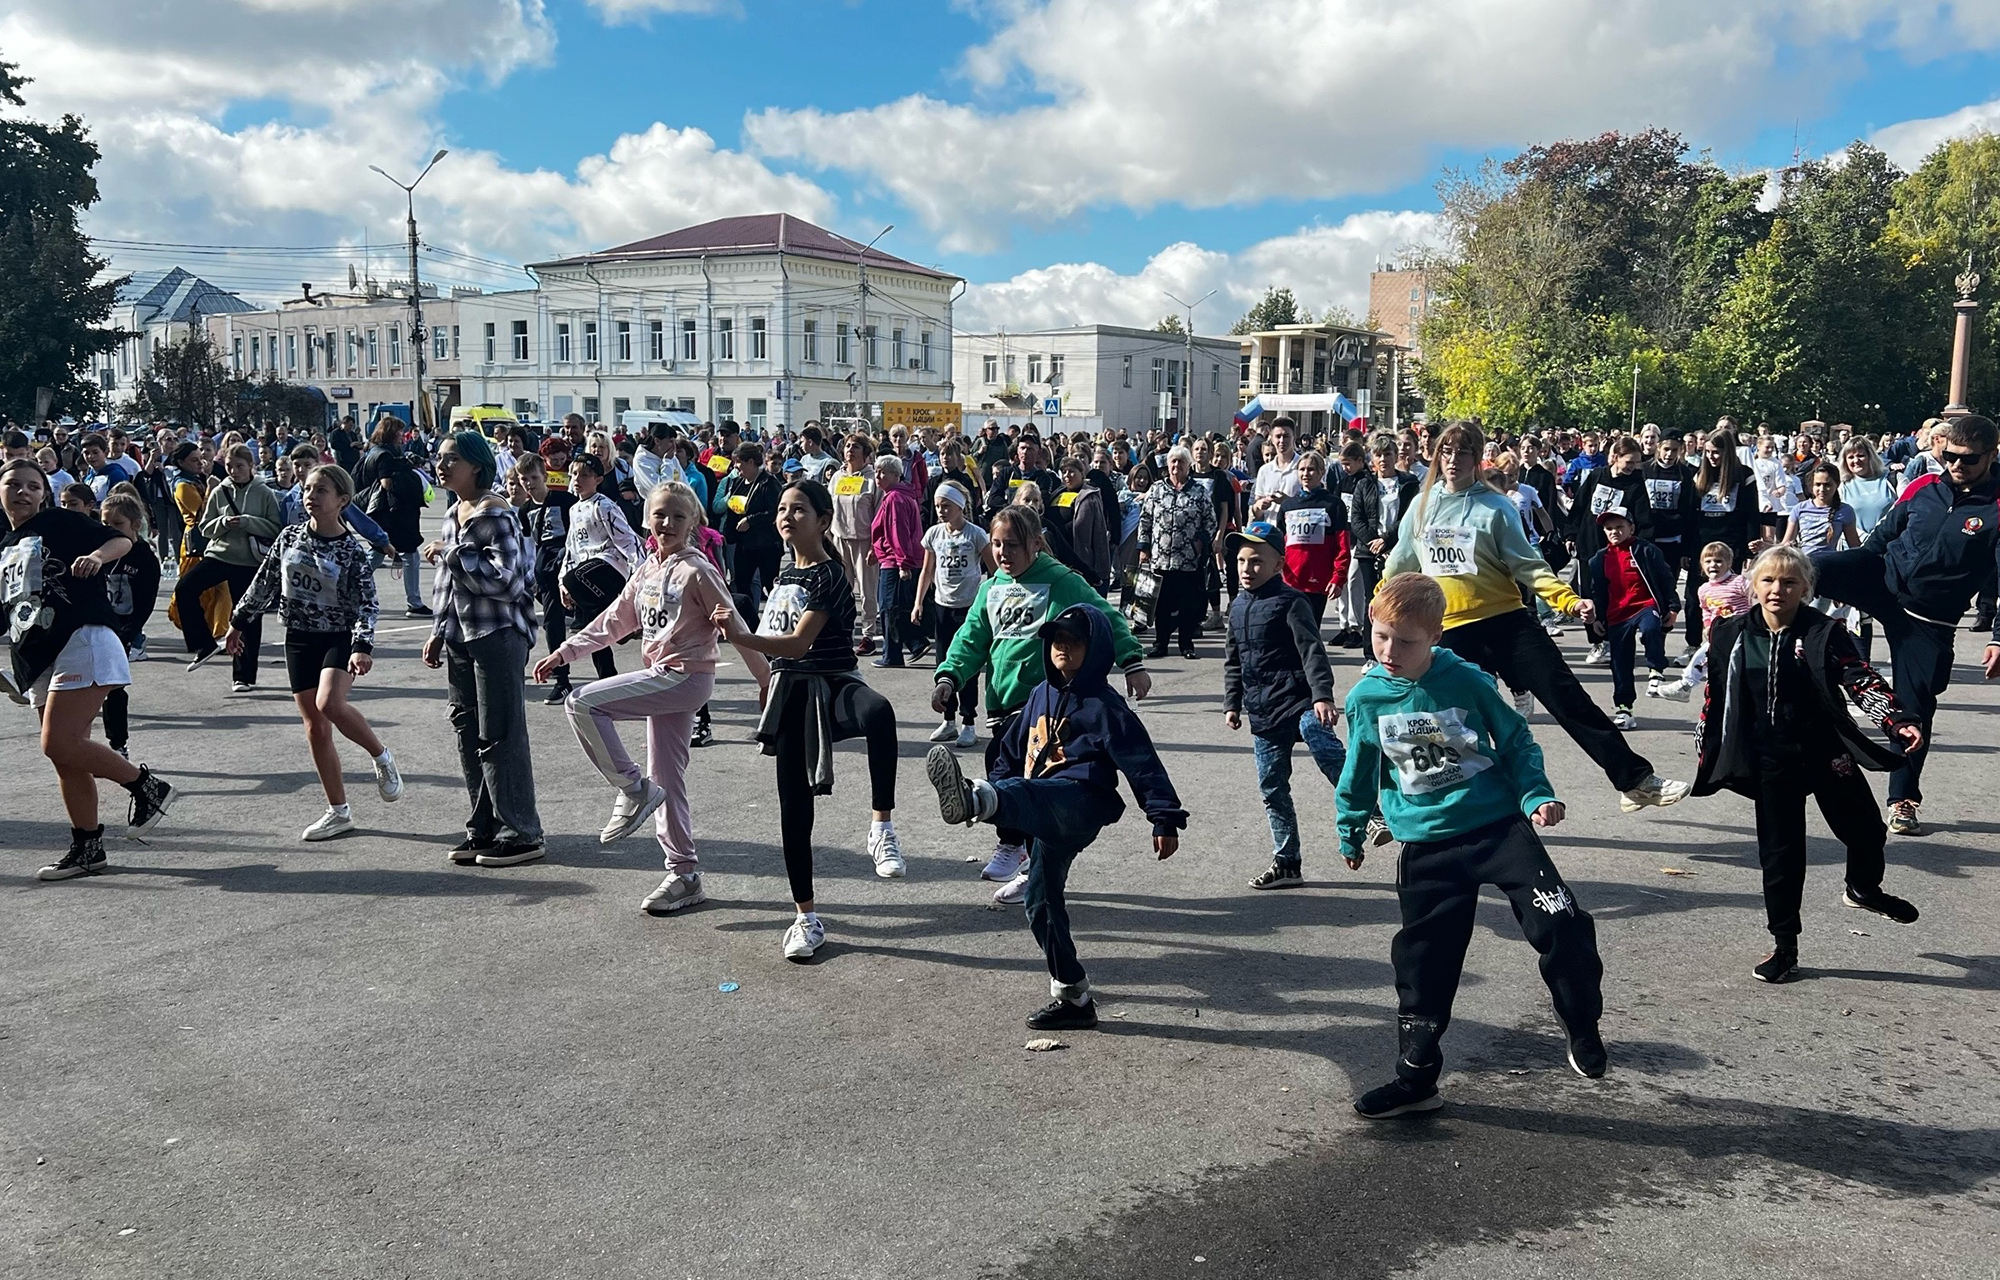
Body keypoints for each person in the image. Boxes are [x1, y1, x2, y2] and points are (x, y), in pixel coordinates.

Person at [1337, 572, 1606, 1117]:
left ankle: (1580, 1019)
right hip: (1428, 847)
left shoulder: (1468, 681)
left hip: (1498, 829)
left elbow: (1515, 740)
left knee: (1562, 922)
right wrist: (1351, 826)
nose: (1390, 651)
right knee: (1424, 963)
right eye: (1382, 636)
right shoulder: (1366, 699)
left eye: (1407, 641)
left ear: (1437, 635)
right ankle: (1415, 1079)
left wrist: (1536, 795)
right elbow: (1359, 769)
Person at [1384, 421, 1687, 812]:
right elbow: (1400, 565)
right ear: (1436, 455)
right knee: (1451, 727)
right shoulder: (1421, 506)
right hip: (1451, 632)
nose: (1454, 460)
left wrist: (1567, 600)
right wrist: (1381, 604)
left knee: (1568, 698)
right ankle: (1456, 812)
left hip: (1507, 623)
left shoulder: (1495, 507)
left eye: (1463, 452)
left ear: (1478, 459)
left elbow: (1530, 565)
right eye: (1447, 451)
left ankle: (1634, 780)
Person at [924, 603, 1184, 1030]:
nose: (1063, 647)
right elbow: (1010, 753)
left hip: (1080, 803)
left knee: (1032, 792)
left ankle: (975, 801)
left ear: (1095, 648)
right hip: (1040, 810)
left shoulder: (1105, 705)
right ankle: (1073, 995)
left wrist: (1164, 818)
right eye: (1056, 640)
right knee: (1040, 903)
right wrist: (1005, 787)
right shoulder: (1039, 696)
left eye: (1074, 641)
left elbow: (1142, 763)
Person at [1690, 545, 1925, 984]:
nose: (1778, 589)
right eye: (1769, 581)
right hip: (1768, 759)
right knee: (1781, 856)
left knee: (1867, 831)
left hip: (1823, 750)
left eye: (1789, 582)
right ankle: (1784, 946)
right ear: (1753, 585)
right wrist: (1706, 748)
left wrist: (1896, 720)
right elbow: (1714, 697)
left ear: (1805, 588)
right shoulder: (1730, 633)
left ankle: (1863, 888)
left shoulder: (1825, 631)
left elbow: (1860, 678)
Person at [536, 482, 770, 914]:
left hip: (685, 677)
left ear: (694, 522)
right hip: (663, 676)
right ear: (647, 518)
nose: (667, 523)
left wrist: (765, 683)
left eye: (678, 517)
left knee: (583, 703)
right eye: (660, 514)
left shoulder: (697, 571)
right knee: (668, 779)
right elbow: (613, 621)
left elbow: (736, 626)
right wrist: (564, 652)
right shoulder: (647, 570)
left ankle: (631, 786)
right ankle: (684, 874)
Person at [710, 479, 909, 960]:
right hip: (791, 695)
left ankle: (881, 826)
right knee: (794, 813)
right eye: (782, 508)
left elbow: (799, 644)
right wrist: (764, 682)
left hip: (835, 683)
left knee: (880, 712)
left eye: (798, 509)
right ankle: (806, 917)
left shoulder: (830, 575)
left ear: (823, 521)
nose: (786, 515)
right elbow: (777, 648)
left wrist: (737, 631)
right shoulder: (781, 572)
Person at [932, 505, 1152, 902]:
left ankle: (1031, 862)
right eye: (996, 544)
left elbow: (1104, 616)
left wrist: (1131, 661)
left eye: (1012, 545)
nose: (1002, 553)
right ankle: (1013, 843)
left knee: (1034, 787)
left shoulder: (1061, 580)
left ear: (1036, 542)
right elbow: (970, 639)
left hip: (1045, 706)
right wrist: (950, 676)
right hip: (1001, 705)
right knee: (1002, 772)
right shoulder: (991, 587)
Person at [1812, 413, 2000, 836]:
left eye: (1967, 460)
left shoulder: (1997, 508)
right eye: (1948, 455)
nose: (1955, 465)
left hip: (1928, 618)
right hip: (1882, 580)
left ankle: (1903, 800)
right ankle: (1778, 639)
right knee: (1805, 566)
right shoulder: (1922, 487)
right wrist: (1822, 570)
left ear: (1991, 456)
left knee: (1913, 709)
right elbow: (1877, 544)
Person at [1, 459, 177, 878]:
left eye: (33, 486)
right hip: (36, 655)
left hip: (83, 636)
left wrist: (97, 556)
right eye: (13, 484)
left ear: (45, 493)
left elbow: (121, 542)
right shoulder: (5, 546)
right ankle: (87, 848)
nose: (22, 492)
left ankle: (149, 788)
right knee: (67, 757)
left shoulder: (60, 522)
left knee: (56, 742)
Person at [223, 464, 403, 841]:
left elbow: (368, 603)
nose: (311, 496)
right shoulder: (289, 538)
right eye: (308, 489)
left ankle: (381, 756)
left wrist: (361, 646)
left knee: (329, 705)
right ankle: (338, 811)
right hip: (299, 636)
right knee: (316, 728)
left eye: (321, 490)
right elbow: (265, 583)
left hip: (339, 636)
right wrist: (238, 621)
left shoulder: (352, 550)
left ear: (342, 501)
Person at [421, 431, 545, 867]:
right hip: (461, 638)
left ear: (475, 465)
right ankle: (484, 828)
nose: (441, 465)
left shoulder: (496, 513)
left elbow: (508, 581)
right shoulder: (456, 511)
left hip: (496, 637)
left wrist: (452, 554)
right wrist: (439, 629)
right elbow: (446, 586)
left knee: (500, 735)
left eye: (451, 458)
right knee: (469, 734)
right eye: (439, 457)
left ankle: (522, 833)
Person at [1222, 521, 1344, 890]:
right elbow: (1233, 660)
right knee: (1272, 787)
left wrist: (1322, 695)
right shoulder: (1237, 606)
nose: (1247, 568)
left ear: (1278, 565)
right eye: (1242, 561)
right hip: (1263, 710)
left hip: (1299, 700)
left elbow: (1312, 651)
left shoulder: (1291, 602)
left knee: (1322, 743)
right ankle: (1287, 863)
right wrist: (1232, 703)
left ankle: (1367, 810)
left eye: (1257, 561)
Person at [174, 444, 280, 692]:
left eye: (239, 466)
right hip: (220, 556)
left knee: (248, 618)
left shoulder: (264, 492)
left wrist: (247, 522)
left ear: (250, 465)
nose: (234, 471)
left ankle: (243, 676)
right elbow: (205, 527)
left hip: (250, 561)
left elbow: (276, 528)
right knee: (185, 588)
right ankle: (204, 644)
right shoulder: (220, 491)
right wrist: (224, 522)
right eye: (230, 466)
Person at [912, 481, 994, 747]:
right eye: (937, 506)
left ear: (960, 506)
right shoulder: (935, 534)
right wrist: (918, 602)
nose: (941, 511)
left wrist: (992, 603)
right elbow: (927, 570)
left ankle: (968, 721)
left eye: (946, 506)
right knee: (944, 665)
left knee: (967, 667)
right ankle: (948, 719)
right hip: (942, 606)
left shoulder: (976, 535)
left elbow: (994, 572)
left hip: (968, 607)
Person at [1586, 507, 1681, 727]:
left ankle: (1656, 671)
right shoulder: (1599, 559)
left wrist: (1673, 607)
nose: (1614, 532)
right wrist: (1597, 620)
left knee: (1650, 629)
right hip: (1617, 615)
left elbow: (1666, 580)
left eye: (1620, 527)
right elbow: (1597, 591)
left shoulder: (1646, 550)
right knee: (1620, 663)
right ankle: (1624, 709)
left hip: (1645, 606)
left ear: (1632, 528)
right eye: (1609, 528)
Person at [558, 453, 643, 683]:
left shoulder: (604, 505)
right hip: (585, 574)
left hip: (609, 565)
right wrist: (562, 583)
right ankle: (607, 677)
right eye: (574, 474)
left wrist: (641, 572)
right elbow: (571, 548)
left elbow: (627, 539)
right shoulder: (574, 509)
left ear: (597, 479)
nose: (578, 479)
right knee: (592, 628)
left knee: (578, 578)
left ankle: (620, 615)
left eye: (585, 475)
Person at [95, 492, 160, 760]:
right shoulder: (98, 550)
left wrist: (129, 633)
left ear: (135, 524)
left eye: (117, 524)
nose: (109, 529)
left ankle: (118, 745)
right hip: (95, 624)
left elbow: (145, 604)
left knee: (114, 688)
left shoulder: (145, 559)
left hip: (122, 629)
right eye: (104, 523)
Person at [1138, 446, 1218, 660]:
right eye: (1173, 462)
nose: (1176, 466)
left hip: (1188, 560)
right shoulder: (1156, 489)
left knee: (1187, 606)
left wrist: (1200, 542)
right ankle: (1160, 643)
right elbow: (1145, 519)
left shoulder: (1199, 491)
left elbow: (1211, 522)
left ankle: (1186, 644)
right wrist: (1143, 547)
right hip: (1160, 558)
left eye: (1181, 462)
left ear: (1188, 466)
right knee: (1161, 604)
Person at [1349, 434, 1421, 660]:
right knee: (1373, 601)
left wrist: (1388, 540)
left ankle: (1403, 649)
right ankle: (1371, 655)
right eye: (1379, 455)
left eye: (1388, 454)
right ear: (1372, 458)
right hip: (1369, 551)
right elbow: (1356, 518)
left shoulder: (1409, 482)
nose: (1383, 459)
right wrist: (1374, 542)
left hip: (1400, 549)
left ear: (1395, 455)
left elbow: (1410, 515)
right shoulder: (1364, 484)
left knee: (1400, 600)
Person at [1275, 450, 1349, 626]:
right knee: (1287, 631)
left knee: (1309, 630)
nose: (1305, 474)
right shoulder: (1288, 505)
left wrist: (1338, 578)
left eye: (1311, 469)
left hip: (1318, 581)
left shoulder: (1333, 504)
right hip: (1290, 580)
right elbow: (1277, 543)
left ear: (1321, 472)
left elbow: (1342, 546)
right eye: (1301, 469)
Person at [868, 452, 926, 667]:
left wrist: (903, 562)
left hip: (895, 561)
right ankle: (914, 643)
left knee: (889, 607)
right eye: (876, 471)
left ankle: (892, 654)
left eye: (882, 472)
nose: (878, 475)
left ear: (896, 474)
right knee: (897, 606)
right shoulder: (902, 495)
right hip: (892, 558)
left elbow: (897, 532)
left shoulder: (894, 498)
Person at [829, 435, 881, 654]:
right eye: (848, 446)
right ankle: (845, 633)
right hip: (840, 540)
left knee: (868, 592)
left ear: (866, 453)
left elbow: (879, 514)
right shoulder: (837, 477)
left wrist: (875, 546)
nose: (850, 450)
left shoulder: (872, 479)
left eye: (856, 446)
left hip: (864, 541)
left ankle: (868, 636)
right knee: (843, 591)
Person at [722, 442, 783, 615]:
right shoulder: (737, 483)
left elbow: (775, 512)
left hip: (766, 545)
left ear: (750, 462)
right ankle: (747, 623)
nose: (736, 466)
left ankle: (775, 622)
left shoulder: (769, 483)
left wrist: (752, 520)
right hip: (743, 545)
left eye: (738, 462)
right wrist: (727, 536)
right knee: (741, 585)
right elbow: (732, 509)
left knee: (770, 586)